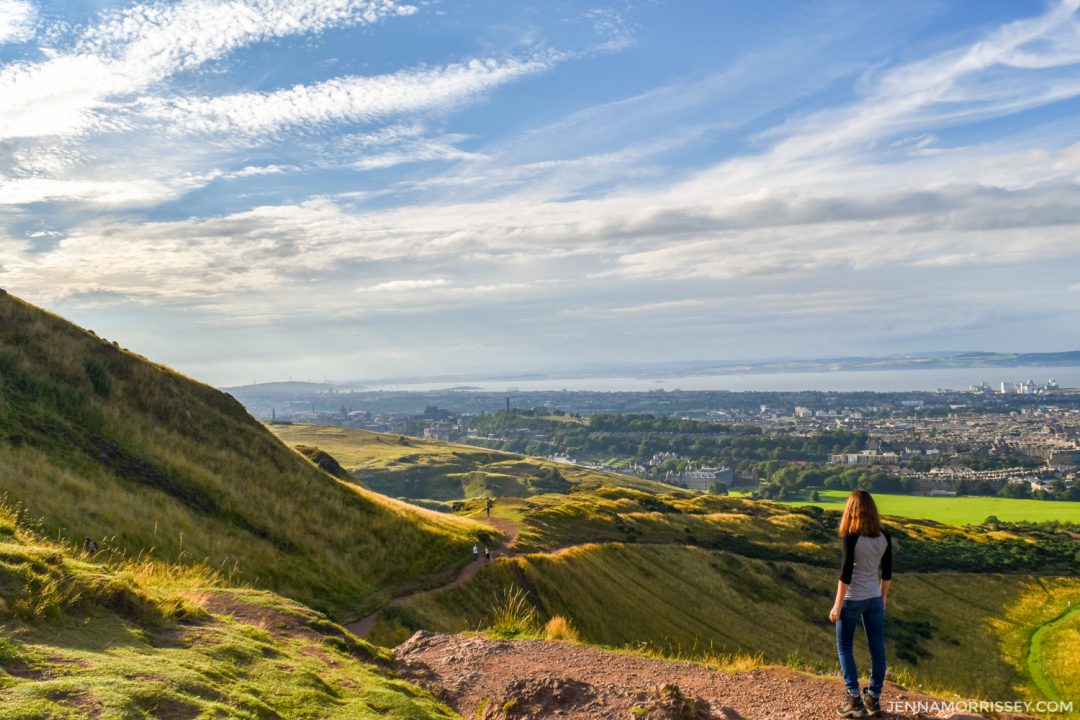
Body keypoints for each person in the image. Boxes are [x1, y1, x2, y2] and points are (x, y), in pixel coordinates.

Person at [829, 489, 892, 718]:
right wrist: (882, 596)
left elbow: (845, 573)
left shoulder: (851, 536)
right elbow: (887, 572)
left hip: (852, 599)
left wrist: (837, 605)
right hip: (874, 598)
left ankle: (854, 699)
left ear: (851, 510)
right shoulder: (884, 535)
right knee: (877, 649)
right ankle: (873, 698)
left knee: (845, 647)